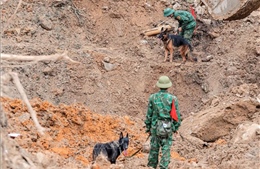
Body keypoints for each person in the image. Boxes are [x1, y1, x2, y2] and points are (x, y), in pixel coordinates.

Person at [144, 75, 181, 169]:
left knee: (154, 149)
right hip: (167, 128)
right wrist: (175, 128)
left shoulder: (152, 97)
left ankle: (151, 166)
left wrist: (148, 128)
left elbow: (149, 115)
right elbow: (176, 115)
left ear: (159, 85)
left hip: (155, 127)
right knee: (166, 150)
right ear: (168, 86)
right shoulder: (173, 99)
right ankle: (163, 167)